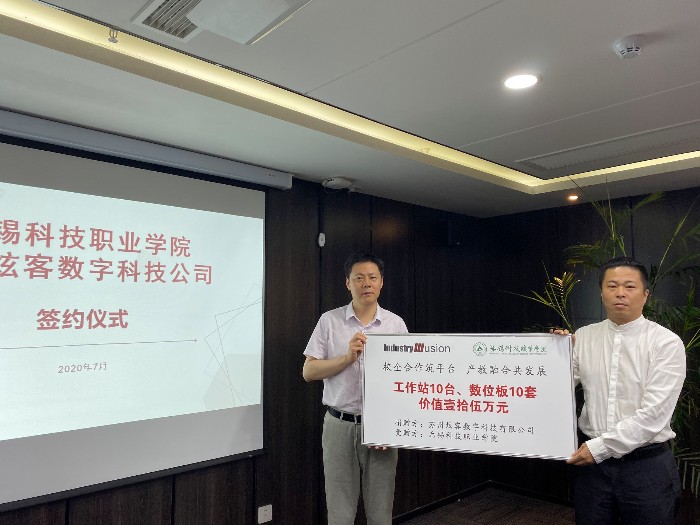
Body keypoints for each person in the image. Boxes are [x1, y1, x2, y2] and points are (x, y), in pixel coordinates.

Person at [556, 256, 685, 524]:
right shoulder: (584, 336)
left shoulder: (665, 343)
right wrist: (553, 354)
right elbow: (557, 386)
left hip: (645, 467)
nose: (620, 293)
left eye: (629, 286)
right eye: (612, 286)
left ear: (645, 295)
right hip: (593, 470)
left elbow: (654, 415)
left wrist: (600, 448)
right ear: (601, 292)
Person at [303, 252, 408, 525]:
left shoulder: (396, 325)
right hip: (339, 425)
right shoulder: (329, 321)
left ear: (382, 282)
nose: (366, 283)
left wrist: (391, 426)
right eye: (359, 278)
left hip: (382, 427)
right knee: (340, 513)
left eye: (372, 277)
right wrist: (346, 359)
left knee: (380, 513)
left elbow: (405, 381)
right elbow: (308, 371)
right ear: (347, 283)